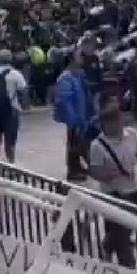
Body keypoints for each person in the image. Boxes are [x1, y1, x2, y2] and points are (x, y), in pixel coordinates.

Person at [88, 97, 137, 268]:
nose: (118, 127)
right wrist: (110, 174)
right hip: (112, 195)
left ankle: (108, 245)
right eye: (113, 123)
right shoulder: (97, 146)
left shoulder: (132, 135)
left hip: (131, 191)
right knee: (122, 236)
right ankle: (128, 268)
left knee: (126, 228)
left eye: (120, 122)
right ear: (106, 124)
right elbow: (95, 172)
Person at [52, 50, 96, 182]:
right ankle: (73, 170)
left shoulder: (78, 75)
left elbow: (86, 95)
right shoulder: (65, 78)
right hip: (74, 118)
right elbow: (63, 101)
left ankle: (77, 167)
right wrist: (73, 120)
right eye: (78, 56)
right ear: (71, 60)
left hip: (82, 116)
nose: (82, 58)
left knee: (78, 143)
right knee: (75, 144)